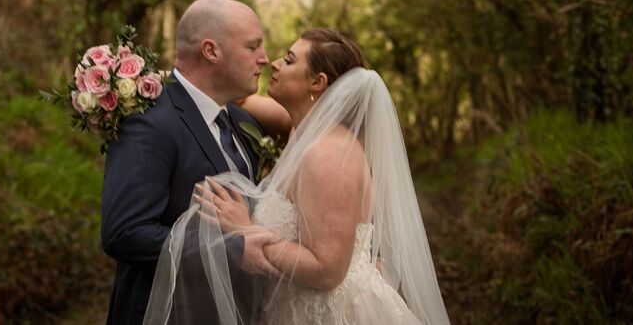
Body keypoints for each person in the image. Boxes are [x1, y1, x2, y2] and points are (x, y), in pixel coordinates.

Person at [144, 29, 450, 324]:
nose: (275, 63)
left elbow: (327, 271)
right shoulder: (301, 130)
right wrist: (149, 82)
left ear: (317, 82)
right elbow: (234, 98)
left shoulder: (328, 155)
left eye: (289, 60)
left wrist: (245, 230)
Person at [100, 0, 278, 325]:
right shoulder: (150, 120)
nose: (265, 59)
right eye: (252, 47)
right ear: (211, 51)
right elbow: (124, 232)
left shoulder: (242, 122)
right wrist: (233, 252)